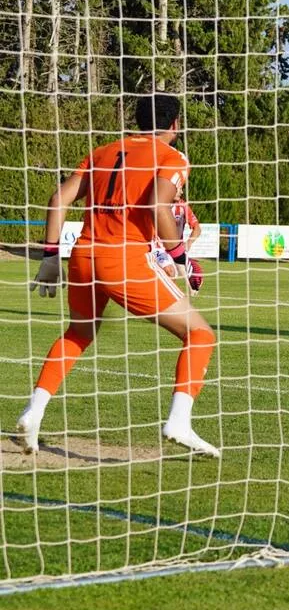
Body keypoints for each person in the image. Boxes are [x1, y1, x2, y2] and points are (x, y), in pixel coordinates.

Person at [23, 94, 217, 456]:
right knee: (200, 334)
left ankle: (33, 411)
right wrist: (180, 258)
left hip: (83, 255)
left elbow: (59, 200)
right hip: (124, 259)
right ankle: (179, 421)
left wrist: (50, 257)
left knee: (78, 334)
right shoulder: (172, 157)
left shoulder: (103, 151)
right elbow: (158, 205)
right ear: (175, 125)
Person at [152, 186, 203, 294]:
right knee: (170, 272)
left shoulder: (183, 206)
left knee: (187, 285)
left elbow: (197, 228)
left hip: (175, 250)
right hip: (157, 247)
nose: (182, 191)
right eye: (179, 188)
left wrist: (189, 243)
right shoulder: (156, 204)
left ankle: (166, 302)